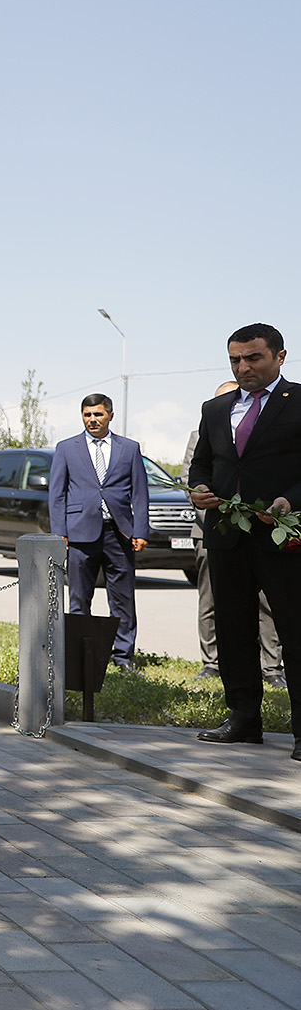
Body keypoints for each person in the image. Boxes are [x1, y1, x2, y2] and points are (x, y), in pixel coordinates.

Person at [187, 324, 301, 759]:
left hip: (282, 537)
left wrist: (291, 499)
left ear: (280, 356)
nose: (243, 366)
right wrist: (198, 488)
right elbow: (202, 465)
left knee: (294, 629)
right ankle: (244, 720)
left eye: (253, 357)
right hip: (225, 535)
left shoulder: (299, 402)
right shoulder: (215, 409)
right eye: (236, 359)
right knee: (233, 628)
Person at [185, 382, 285, 687]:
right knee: (213, 602)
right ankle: (212, 663)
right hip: (213, 531)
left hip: (267, 527)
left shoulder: (273, 424)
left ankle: (272, 666)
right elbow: (195, 474)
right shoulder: (203, 430)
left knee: (269, 604)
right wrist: (211, 510)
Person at [47, 393, 150, 671]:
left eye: (98, 414)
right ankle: (82, 655)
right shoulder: (67, 448)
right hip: (80, 534)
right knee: (79, 598)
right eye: (87, 415)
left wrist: (140, 530)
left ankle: (123, 656)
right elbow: (56, 494)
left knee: (123, 598)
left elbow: (140, 494)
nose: (92, 420)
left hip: (119, 534)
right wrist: (60, 532)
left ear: (110, 416)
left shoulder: (129, 449)